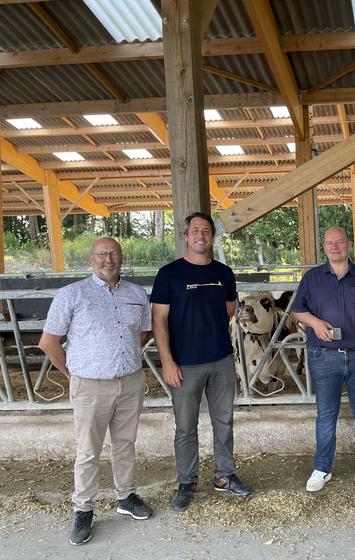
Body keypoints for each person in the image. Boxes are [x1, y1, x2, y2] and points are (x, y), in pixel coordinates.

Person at [39, 237, 152, 546]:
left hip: (129, 381)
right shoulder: (71, 295)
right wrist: (72, 374)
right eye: (102, 254)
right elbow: (49, 342)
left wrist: (120, 358)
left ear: (121, 257)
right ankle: (84, 508)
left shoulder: (137, 294)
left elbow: (141, 333)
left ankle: (125, 496)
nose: (108, 259)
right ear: (91, 258)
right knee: (88, 450)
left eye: (114, 253)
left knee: (125, 444)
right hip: (89, 385)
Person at [151, 212, 251, 512]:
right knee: (185, 427)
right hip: (184, 365)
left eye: (206, 230)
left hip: (220, 360)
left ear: (212, 237)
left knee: (224, 421)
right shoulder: (169, 274)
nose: (201, 235)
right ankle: (187, 481)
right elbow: (159, 320)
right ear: (185, 236)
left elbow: (229, 309)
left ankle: (224, 475)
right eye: (195, 230)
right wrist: (167, 362)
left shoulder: (223, 272)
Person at [291, 226, 355, 492]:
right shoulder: (312, 278)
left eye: (339, 242)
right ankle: (322, 468)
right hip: (324, 356)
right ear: (323, 247)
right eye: (329, 243)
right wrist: (315, 322)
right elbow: (297, 311)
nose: (335, 247)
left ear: (348, 244)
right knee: (326, 414)